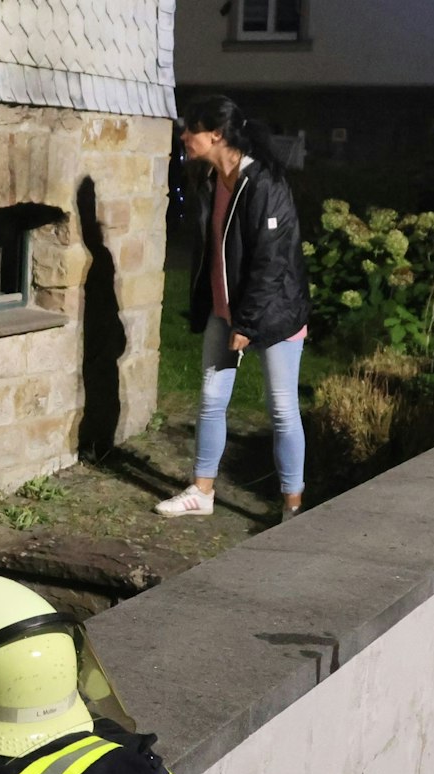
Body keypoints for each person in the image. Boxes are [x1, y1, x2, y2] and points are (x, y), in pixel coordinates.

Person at [156, 95, 311, 523]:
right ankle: (202, 492)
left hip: (274, 317)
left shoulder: (264, 184)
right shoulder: (208, 180)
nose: (184, 135)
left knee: (281, 409)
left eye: (191, 129)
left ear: (216, 134)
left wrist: (248, 323)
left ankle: (293, 507)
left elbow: (272, 261)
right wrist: (216, 310)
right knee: (210, 400)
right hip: (225, 315)